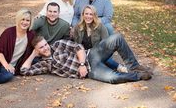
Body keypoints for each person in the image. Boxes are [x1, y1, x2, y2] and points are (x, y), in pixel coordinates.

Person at [20, 36, 152, 84]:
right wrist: (32, 55)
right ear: (37, 50)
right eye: (41, 48)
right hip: (91, 71)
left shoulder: (58, 44)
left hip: (91, 55)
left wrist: (82, 64)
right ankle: (138, 75)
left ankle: (133, 65)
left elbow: (78, 47)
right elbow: (24, 71)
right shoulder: (44, 64)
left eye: (45, 44)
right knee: (113, 78)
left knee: (117, 38)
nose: (45, 48)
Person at [73, 5, 126, 72]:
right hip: (84, 55)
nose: (88, 16)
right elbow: (76, 44)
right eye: (86, 14)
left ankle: (119, 67)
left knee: (100, 59)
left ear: (94, 16)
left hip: (98, 54)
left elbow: (106, 46)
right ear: (83, 15)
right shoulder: (78, 27)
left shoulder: (100, 27)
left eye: (91, 14)